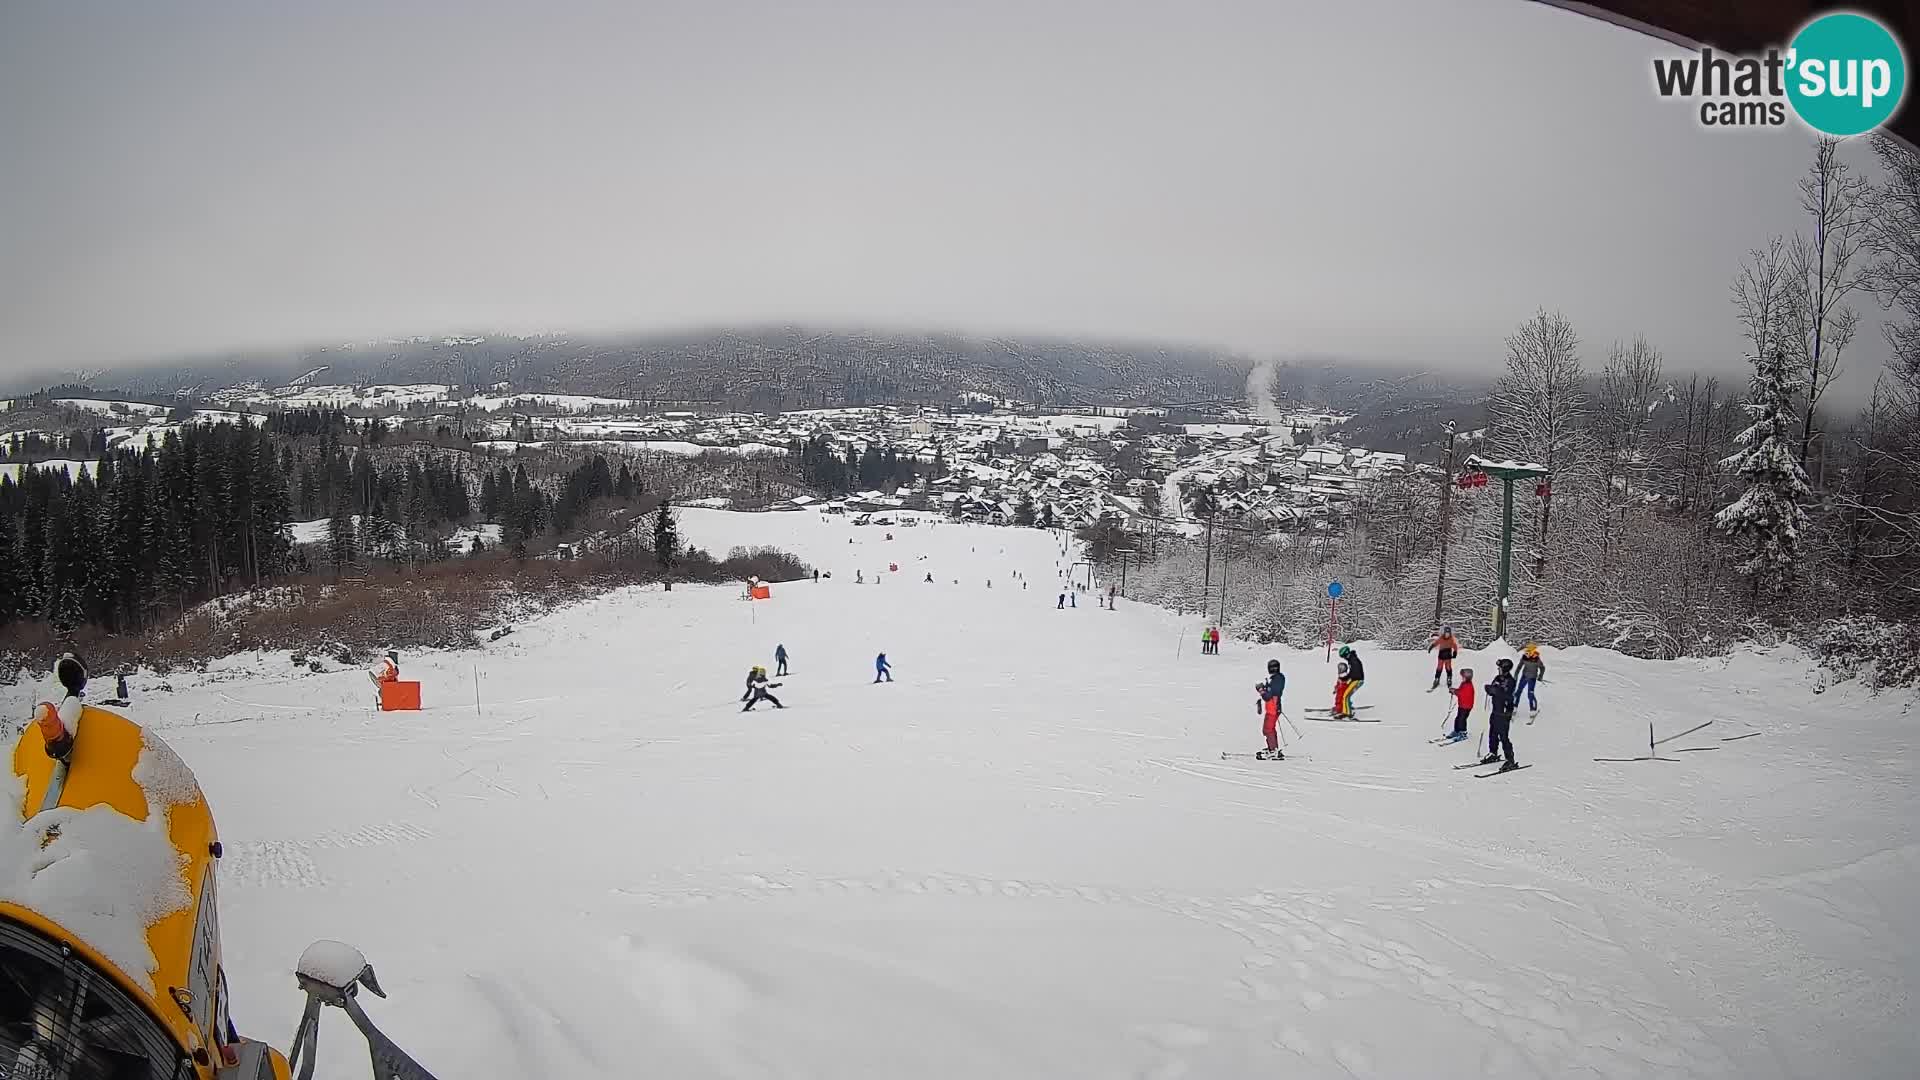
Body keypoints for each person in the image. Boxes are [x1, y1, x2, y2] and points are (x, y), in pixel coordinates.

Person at [1480, 658, 1519, 770]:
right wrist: (1489, 689)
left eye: (1500, 668)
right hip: (1495, 710)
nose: (1498, 669)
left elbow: (1507, 695)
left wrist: (1496, 691)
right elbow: (1493, 689)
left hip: (1504, 712)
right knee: (1493, 733)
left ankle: (1510, 760)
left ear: (1505, 669)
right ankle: (1493, 753)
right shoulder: (1497, 678)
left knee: (1503, 736)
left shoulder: (1510, 681)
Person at [1256, 659, 1287, 759]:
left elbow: (1268, 696)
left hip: (1273, 708)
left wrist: (1261, 690)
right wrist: (1264, 687)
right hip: (1273, 708)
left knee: (1267, 729)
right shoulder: (1277, 678)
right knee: (1270, 729)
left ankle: (1273, 750)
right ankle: (1273, 748)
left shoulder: (1277, 679)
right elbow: (1271, 691)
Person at [1333, 645, 1365, 719]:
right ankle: (1346, 711)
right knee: (1345, 695)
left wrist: (1348, 679)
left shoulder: (1354, 660)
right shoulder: (1351, 660)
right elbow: (1352, 673)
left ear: (1346, 654)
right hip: (1355, 680)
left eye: (1344, 656)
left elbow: (1355, 673)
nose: (1344, 658)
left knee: (1346, 696)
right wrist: (1345, 678)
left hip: (1357, 680)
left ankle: (1347, 714)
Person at [1517, 643, 1547, 717]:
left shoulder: (1536, 659)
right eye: (1526, 650)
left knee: (1530, 694)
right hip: (1524, 677)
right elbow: (1519, 666)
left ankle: (1533, 709)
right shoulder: (1524, 657)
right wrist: (1516, 675)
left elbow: (1542, 668)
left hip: (1532, 678)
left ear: (1532, 651)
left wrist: (1540, 676)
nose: (1526, 651)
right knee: (1518, 692)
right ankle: (1514, 707)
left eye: (1528, 650)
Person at [1427, 625, 1460, 691]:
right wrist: (1431, 647)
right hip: (1441, 656)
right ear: (1444, 633)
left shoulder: (1451, 639)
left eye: (1448, 634)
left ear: (1450, 634)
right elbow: (1436, 643)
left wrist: (1455, 652)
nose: (1447, 635)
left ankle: (1449, 678)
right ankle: (1437, 679)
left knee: (1448, 668)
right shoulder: (1441, 638)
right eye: (1446, 633)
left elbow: (1455, 646)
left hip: (1448, 656)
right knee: (1439, 667)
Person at [1449, 667, 1475, 740]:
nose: (1462, 678)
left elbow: (1462, 693)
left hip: (1466, 706)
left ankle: (1463, 733)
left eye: (1463, 677)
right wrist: (1454, 690)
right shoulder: (1464, 684)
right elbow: (1460, 691)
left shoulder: (1468, 686)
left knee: (1462, 719)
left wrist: (1454, 691)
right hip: (1462, 705)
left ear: (1467, 678)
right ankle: (1457, 731)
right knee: (1458, 718)